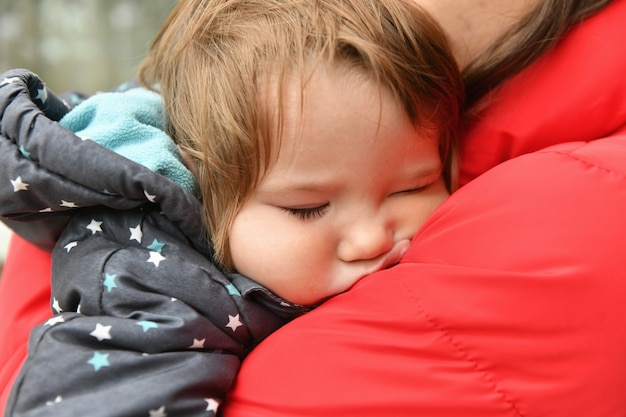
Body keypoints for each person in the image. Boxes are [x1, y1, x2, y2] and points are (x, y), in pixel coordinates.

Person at [4, 0, 626, 415]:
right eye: (307, 208)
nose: (367, 240)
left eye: (412, 188)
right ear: (207, 196)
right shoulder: (152, 293)